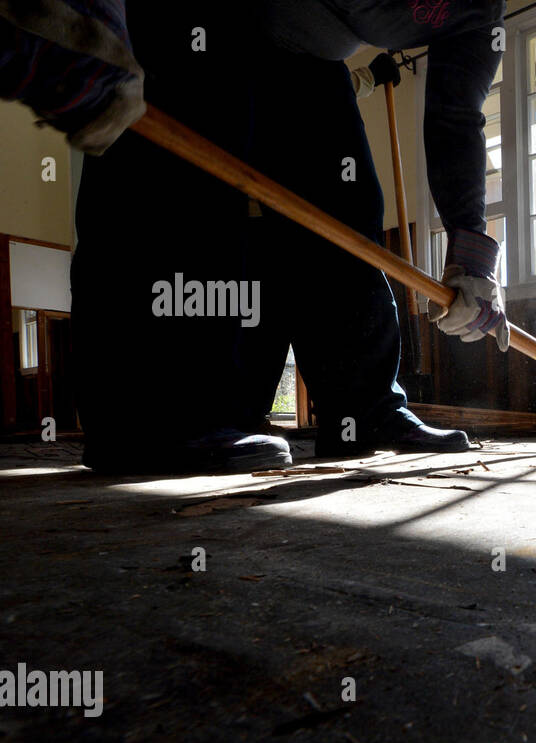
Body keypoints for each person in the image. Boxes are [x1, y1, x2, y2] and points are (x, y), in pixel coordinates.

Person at [0, 0, 509, 473]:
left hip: (308, 55)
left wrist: (471, 252)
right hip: (202, 7)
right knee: (179, 180)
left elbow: (457, 115)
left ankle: (363, 412)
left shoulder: (479, 10)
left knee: (347, 210)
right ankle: (145, 421)